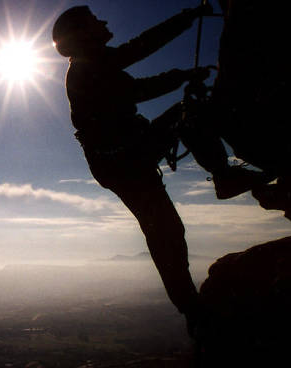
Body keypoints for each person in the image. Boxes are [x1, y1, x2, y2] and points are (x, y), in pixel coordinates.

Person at [51, 4, 272, 336]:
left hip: (123, 157)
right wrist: (182, 73)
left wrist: (187, 23)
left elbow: (142, 47)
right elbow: (138, 83)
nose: (105, 22)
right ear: (82, 34)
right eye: (96, 21)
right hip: (126, 160)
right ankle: (193, 310)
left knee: (165, 231)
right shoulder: (86, 69)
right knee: (165, 232)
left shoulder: (92, 63)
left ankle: (192, 309)